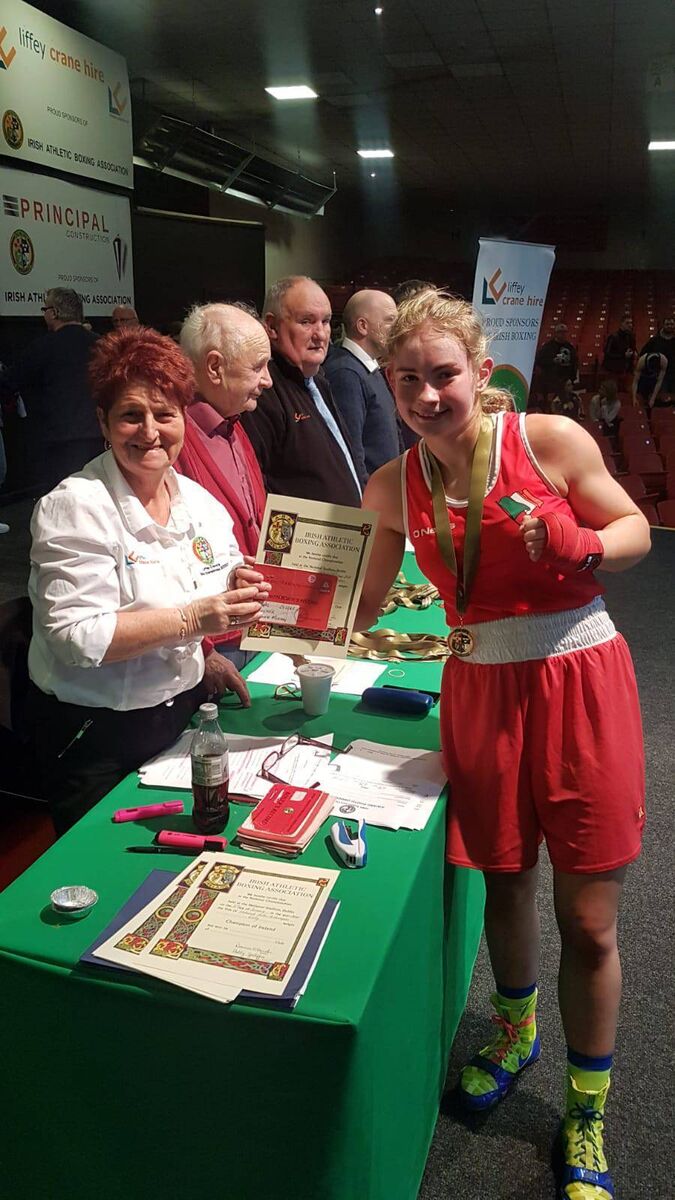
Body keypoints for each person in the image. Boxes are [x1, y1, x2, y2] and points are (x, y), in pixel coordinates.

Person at [356, 289, 650, 1200]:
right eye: (408, 380)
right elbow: (354, 605)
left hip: (579, 681)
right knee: (506, 882)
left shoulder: (548, 440)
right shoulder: (390, 484)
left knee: (589, 919)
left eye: (443, 374)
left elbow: (634, 530)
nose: (427, 395)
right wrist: (272, 588)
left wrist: (582, 546)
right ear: (392, 387)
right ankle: (516, 1034)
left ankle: (588, 1104)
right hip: (480, 689)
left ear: (480, 374)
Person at [24, 326, 270, 835]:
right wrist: (195, 620)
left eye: (165, 414)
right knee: (103, 879)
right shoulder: (75, 507)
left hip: (182, 720)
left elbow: (212, 583)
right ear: (103, 422)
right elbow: (74, 638)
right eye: (131, 415)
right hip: (97, 737)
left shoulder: (200, 505)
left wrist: (208, 648)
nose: (150, 431)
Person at [176, 302, 271, 669]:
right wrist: (205, 652)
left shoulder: (235, 425)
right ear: (215, 367)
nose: (268, 381)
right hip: (210, 647)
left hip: (253, 626)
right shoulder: (170, 438)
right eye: (258, 367)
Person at [240, 276, 362, 505]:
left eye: (325, 321)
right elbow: (257, 487)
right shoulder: (262, 392)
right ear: (272, 327)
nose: (321, 334)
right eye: (306, 322)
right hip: (301, 539)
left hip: (347, 535)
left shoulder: (320, 382)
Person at [11, 288, 101, 494]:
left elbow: (12, 380)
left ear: (54, 313)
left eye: (45, 308)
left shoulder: (43, 346)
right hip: (98, 436)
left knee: (63, 499)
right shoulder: (102, 344)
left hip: (57, 441)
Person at [323, 289, 399, 484]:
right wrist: (366, 506)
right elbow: (350, 451)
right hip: (370, 502)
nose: (398, 330)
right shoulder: (346, 374)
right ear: (362, 326)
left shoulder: (367, 369)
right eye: (390, 320)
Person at [535, 322, 579, 400]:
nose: (563, 334)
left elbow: (574, 362)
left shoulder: (570, 347)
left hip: (566, 378)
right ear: (556, 333)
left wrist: (572, 378)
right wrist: (552, 361)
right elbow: (539, 360)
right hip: (552, 379)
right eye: (560, 332)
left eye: (564, 332)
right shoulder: (548, 347)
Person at [639, 316, 674, 397]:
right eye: (667, 324)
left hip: (673, 374)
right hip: (659, 376)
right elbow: (643, 354)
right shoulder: (654, 340)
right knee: (662, 398)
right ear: (663, 325)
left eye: (672, 324)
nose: (670, 326)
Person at [601, 316, 636, 385]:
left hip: (626, 368)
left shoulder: (631, 337)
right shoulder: (613, 337)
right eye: (627, 323)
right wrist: (623, 355)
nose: (630, 325)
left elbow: (633, 349)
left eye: (631, 323)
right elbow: (607, 354)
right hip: (614, 369)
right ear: (621, 324)